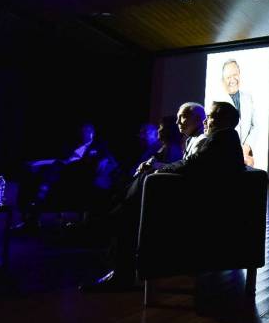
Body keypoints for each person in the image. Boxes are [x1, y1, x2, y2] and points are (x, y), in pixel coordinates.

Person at [81, 101, 244, 291]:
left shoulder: (220, 140)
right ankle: (114, 224)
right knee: (134, 201)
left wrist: (160, 170)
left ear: (224, 120)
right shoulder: (223, 139)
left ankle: (120, 271)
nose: (206, 121)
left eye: (211, 116)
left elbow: (190, 165)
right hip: (200, 201)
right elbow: (191, 165)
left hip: (200, 208)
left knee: (130, 213)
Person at [216, 59, 259, 166]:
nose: (232, 80)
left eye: (235, 75)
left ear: (239, 75)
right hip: (224, 156)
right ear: (222, 80)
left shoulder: (248, 97)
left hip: (246, 155)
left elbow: (256, 126)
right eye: (228, 77)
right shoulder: (216, 101)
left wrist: (247, 146)